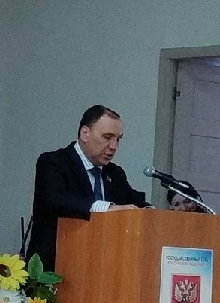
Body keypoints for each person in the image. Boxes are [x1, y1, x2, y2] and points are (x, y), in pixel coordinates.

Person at [26, 105, 149, 271]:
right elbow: (55, 200)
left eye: (118, 139)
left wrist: (151, 212)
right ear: (85, 133)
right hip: (54, 269)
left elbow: (133, 201)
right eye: (107, 137)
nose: (114, 146)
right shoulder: (53, 162)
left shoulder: (115, 173)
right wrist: (107, 208)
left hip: (101, 270)